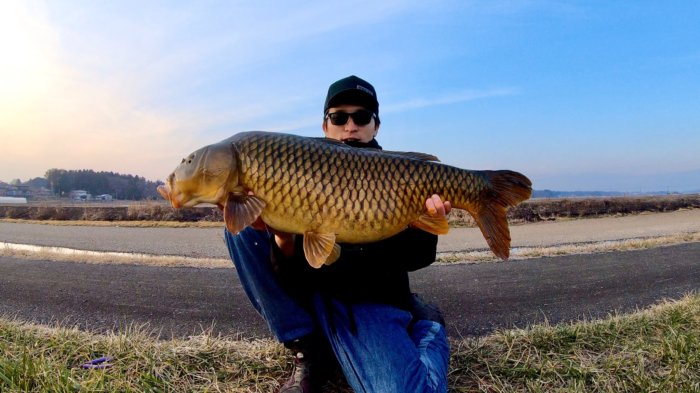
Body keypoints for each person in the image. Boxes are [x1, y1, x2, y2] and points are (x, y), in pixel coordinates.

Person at [224, 75, 450, 393]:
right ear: (325, 126)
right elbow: (292, 276)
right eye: (339, 117)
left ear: (376, 126)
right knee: (240, 223)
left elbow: (420, 257)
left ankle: (428, 327)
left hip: (368, 304)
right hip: (315, 293)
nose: (350, 126)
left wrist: (425, 223)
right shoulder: (296, 175)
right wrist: (283, 239)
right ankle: (309, 350)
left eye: (361, 117)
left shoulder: (401, 176)